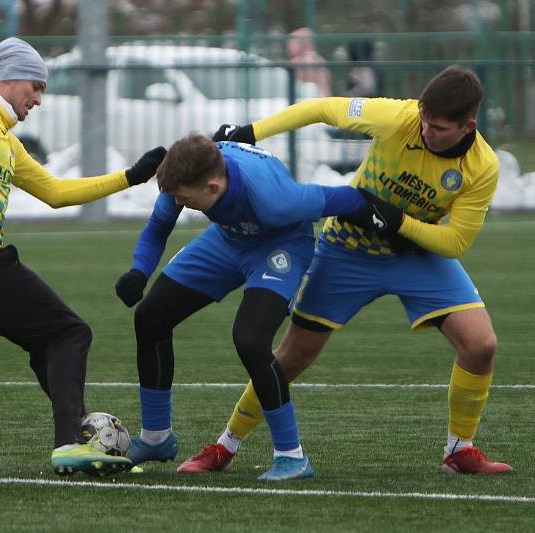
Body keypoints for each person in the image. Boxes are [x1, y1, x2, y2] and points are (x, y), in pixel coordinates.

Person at [184, 64, 513, 475]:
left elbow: (456, 242)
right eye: (425, 121)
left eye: (439, 127)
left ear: (468, 126)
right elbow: (323, 108)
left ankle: (459, 450)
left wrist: (396, 222)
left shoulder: (482, 166)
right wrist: (251, 132)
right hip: (347, 251)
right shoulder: (399, 117)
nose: (426, 131)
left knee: (482, 345)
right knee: (292, 356)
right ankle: (224, 447)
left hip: (418, 257)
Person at [0, 37, 166, 477]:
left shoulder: (2, 135)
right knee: (70, 332)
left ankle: (82, 444)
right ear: (8, 78)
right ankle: (70, 442)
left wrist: (131, 177)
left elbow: (54, 192)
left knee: (48, 343)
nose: (38, 99)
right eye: (36, 86)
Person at [113, 133, 372, 480]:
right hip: (229, 239)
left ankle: (292, 457)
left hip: (281, 244)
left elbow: (348, 199)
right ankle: (156, 438)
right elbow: (159, 225)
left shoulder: (276, 199)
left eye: (185, 200)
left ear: (213, 187)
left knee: (250, 339)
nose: (179, 203)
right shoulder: (186, 173)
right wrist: (138, 272)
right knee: (150, 317)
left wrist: (393, 223)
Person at [287, 27, 331, 97]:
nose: (288, 47)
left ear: (302, 43)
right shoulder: (319, 58)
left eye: (291, 43)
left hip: (310, 99)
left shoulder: (301, 60)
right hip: (324, 97)